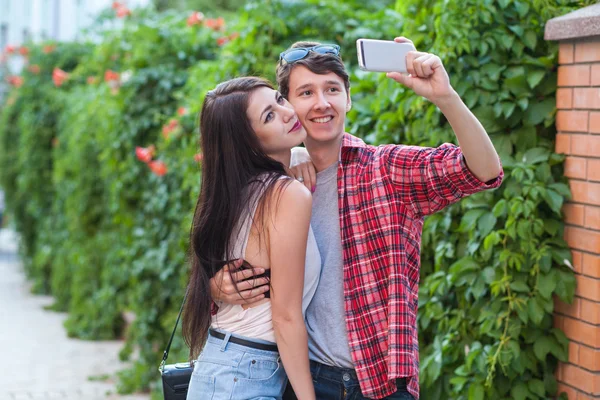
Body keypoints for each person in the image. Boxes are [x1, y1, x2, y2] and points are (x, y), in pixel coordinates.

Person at [211, 38, 504, 399]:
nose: (321, 103)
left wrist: (446, 97)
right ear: (288, 105)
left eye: (332, 89)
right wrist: (218, 286)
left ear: (348, 98)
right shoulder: (273, 187)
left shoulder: (386, 169)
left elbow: (483, 171)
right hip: (301, 379)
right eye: (305, 92)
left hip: (381, 383)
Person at [183, 76, 320, 400]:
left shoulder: (233, 193)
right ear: (246, 142)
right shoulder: (287, 195)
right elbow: (285, 317)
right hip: (244, 377)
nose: (287, 113)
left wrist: (296, 155)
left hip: (222, 368)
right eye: (268, 116)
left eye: (279, 100)